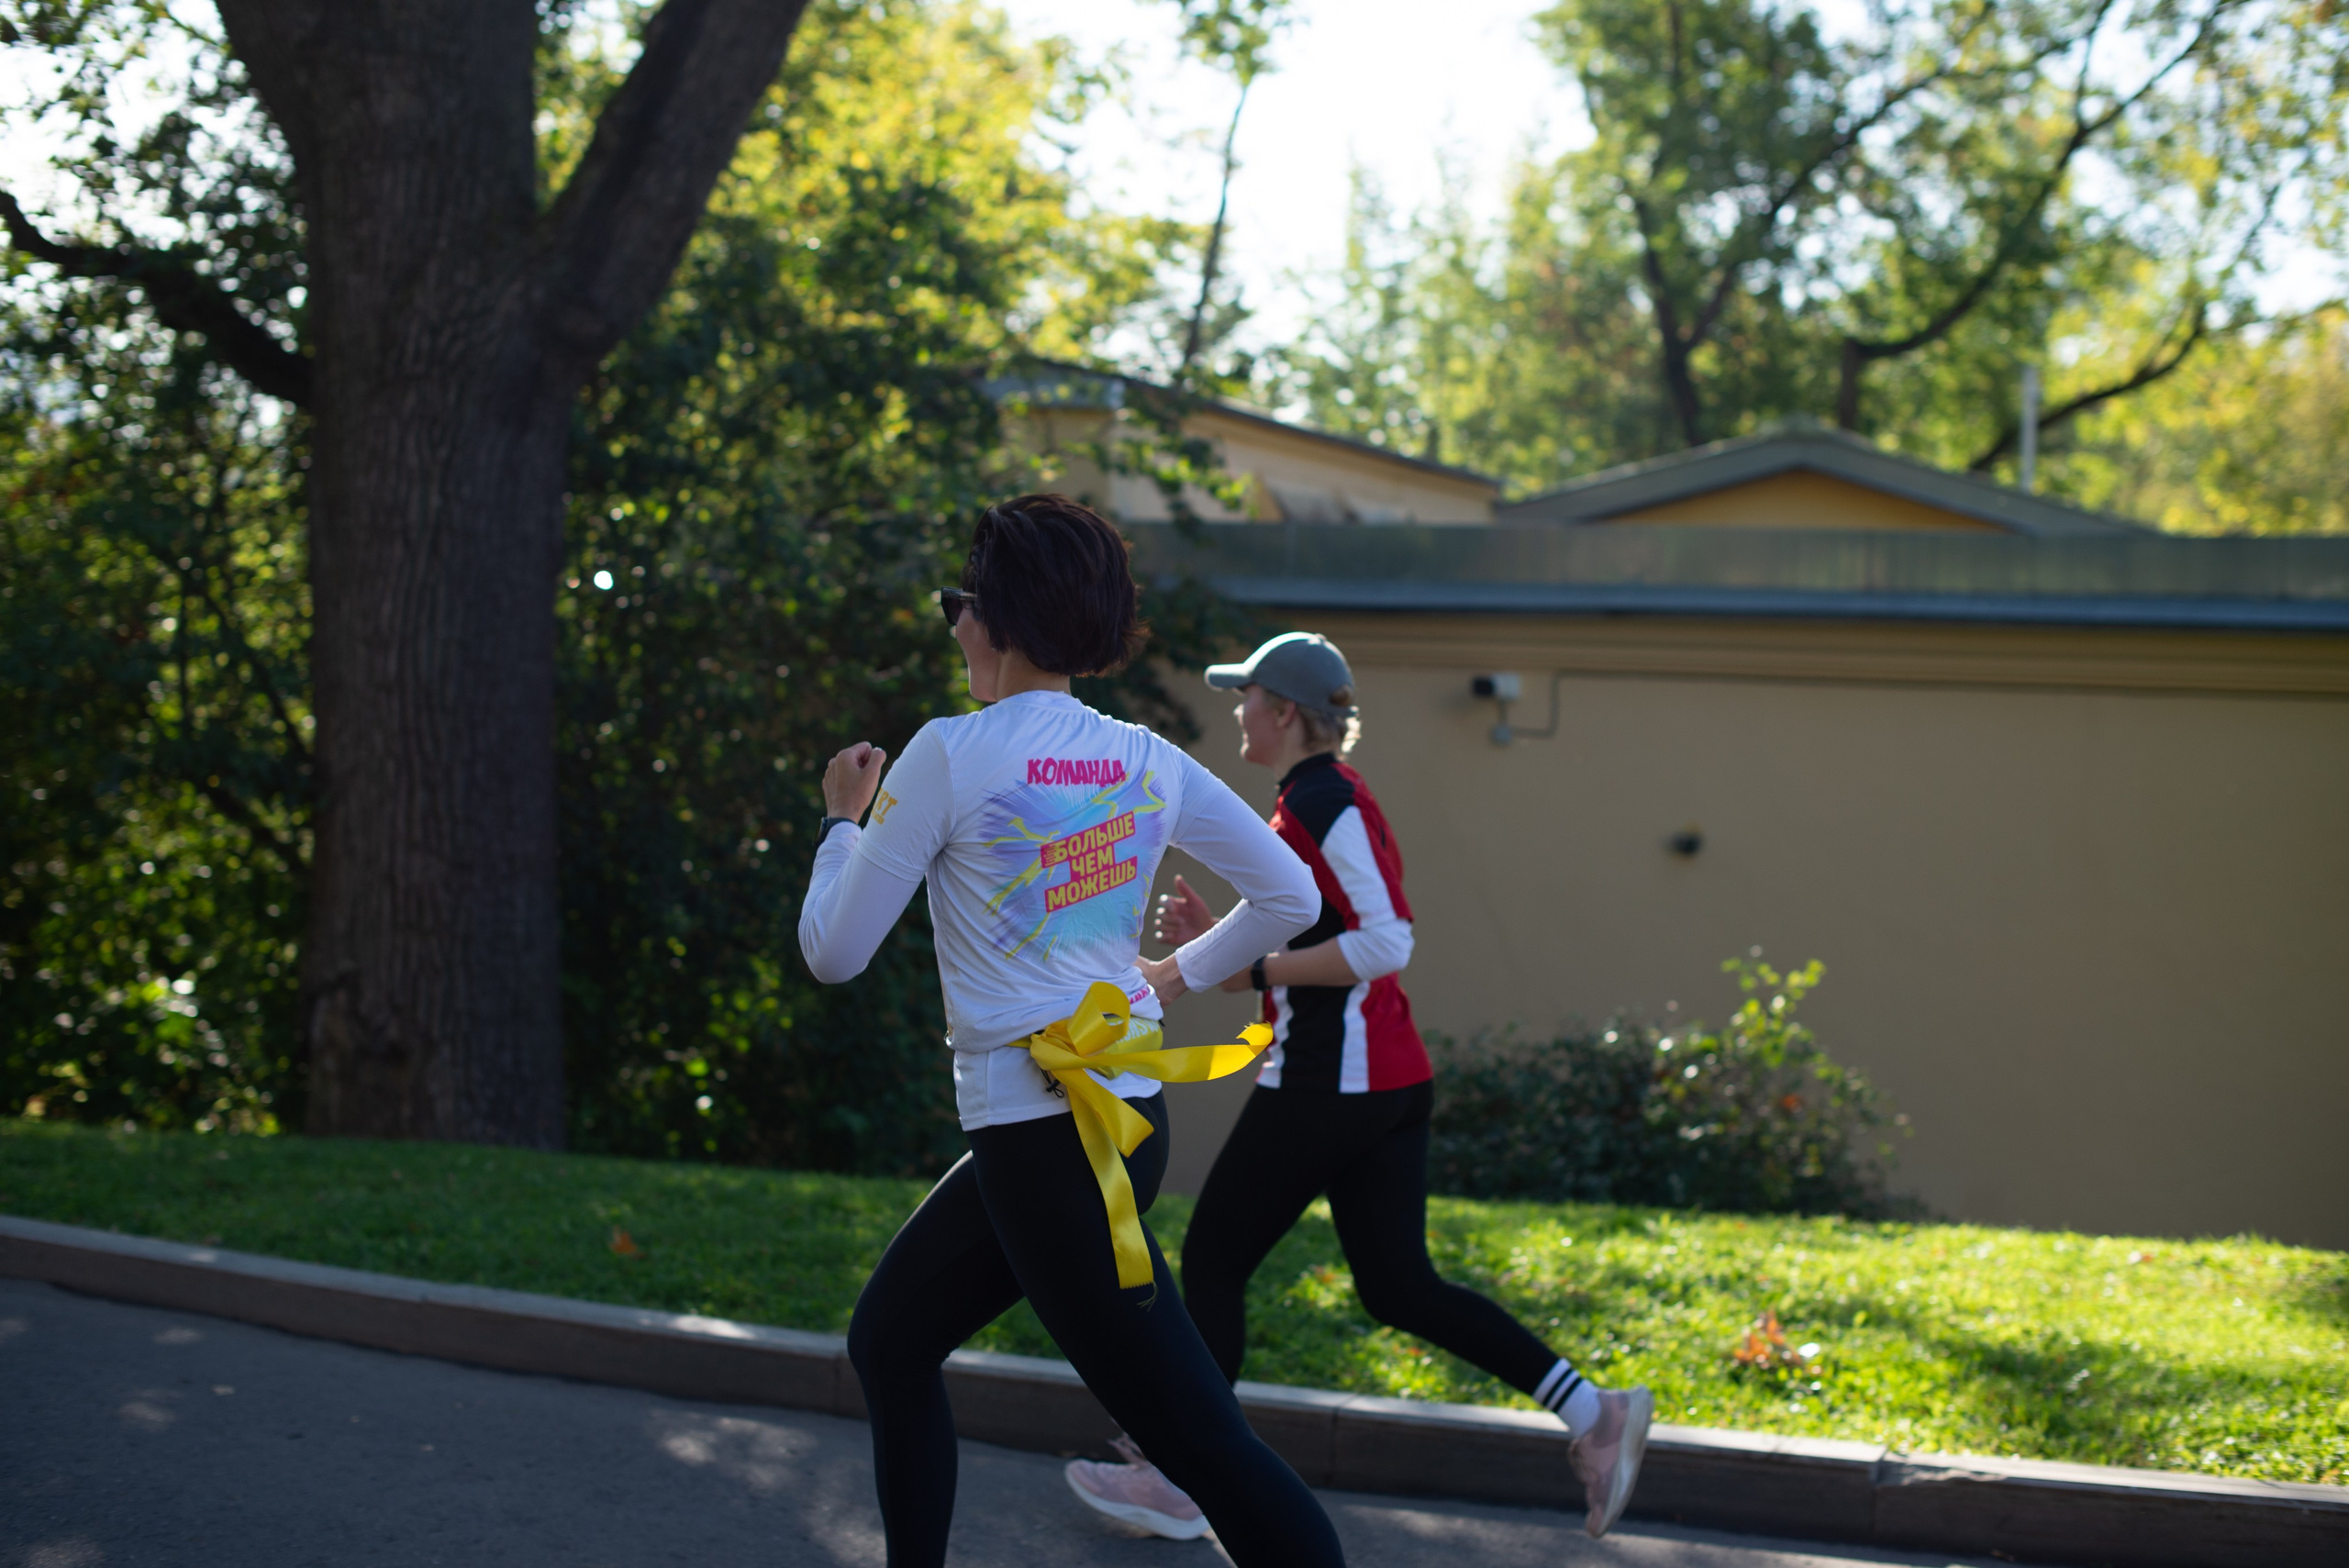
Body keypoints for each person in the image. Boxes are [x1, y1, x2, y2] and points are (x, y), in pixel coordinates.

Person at [796, 497, 1349, 1568]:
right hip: (1107, 1123)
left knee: (1204, 1443)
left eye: (960, 603)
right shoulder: (1141, 754)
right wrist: (1171, 977)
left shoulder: (949, 753)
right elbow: (1290, 894)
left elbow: (833, 950)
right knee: (891, 1340)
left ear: (997, 616)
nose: (955, 622)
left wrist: (839, 823)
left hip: (1049, 1147)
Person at [1062, 631, 1654, 1541]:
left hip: (1333, 1080)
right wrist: (1224, 947)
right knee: (1397, 1285)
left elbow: (1384, 940)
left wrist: (1252, 967)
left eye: (1247, 696)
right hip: (1381, 1079)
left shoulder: (1323, 801)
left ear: (1284, 711)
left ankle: (1183, 1481)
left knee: (1214, 1258)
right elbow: (1323, 934)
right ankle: (1594, 1413)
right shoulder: (1318, 797)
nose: (1238, 710)